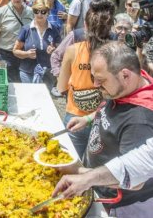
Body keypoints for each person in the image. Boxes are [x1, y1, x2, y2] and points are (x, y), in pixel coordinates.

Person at [55, 42, 153, 217]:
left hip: (118, 204)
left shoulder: (140, 121)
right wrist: (88, 118)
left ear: (125, 75)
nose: (94, 84)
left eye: (100, 80)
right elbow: (111, 110)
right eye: (93, 77)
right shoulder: (128, 86)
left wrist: (80, 173)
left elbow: (135, 181)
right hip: (96, 182)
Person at [57, 0, 115, 158]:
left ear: (85, 25)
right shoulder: (117, 53)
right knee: (100, 165)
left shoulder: (73, 50)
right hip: (107, 116)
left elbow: (61, 87)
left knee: (71, 161)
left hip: (76, 116)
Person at [52, 137, 153, 198]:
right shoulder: (116, 102)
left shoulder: (139, 123)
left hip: (117, 201)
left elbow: (137, 176)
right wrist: (88, 119)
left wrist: (82, 172)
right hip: (96, 179)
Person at [13, 0, 61, 90]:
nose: (39, 14)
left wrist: (54, 50)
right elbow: (15, 51)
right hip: (27, 73)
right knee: (30, 100)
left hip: (47, 74)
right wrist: (26, 54)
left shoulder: (54, 30)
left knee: (44, 100)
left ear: (48, 12)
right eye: (36, 11)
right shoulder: (26, 29)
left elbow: (61, 53)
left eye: (43, 11)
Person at [0, 0, 34, 82]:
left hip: (25, 54)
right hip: (6, 54)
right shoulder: (1, 11)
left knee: (25, 84)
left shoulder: (31, 12)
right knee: (10, 85)